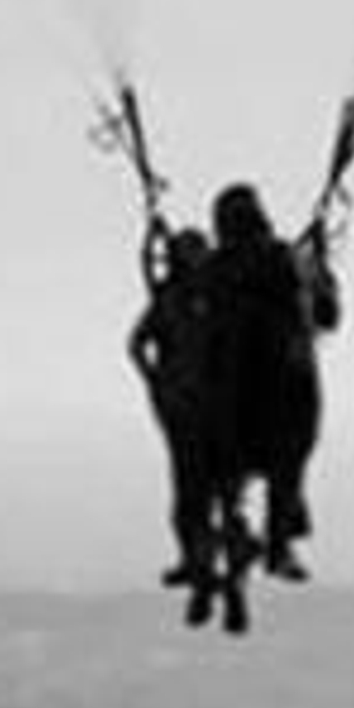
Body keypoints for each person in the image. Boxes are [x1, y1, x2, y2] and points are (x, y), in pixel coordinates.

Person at [203, 183, 341, 583]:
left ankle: (232, 531)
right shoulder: (288, 261)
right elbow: (328, 314)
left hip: (229, 401)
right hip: (285, 396)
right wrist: (321, 270)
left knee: (225, 474)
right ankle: (278, 544)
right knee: (288, 467)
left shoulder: (213, 272)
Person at [128, 225, 237, 627]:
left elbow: (138, 345)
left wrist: (157, 379)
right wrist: (155, 378)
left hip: (204, 416)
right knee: (200, 502)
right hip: (194, 417)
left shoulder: (200, 300)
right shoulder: (182, 301)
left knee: (210, 501)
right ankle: (203, 572)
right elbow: (137, 344)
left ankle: (209, 574)